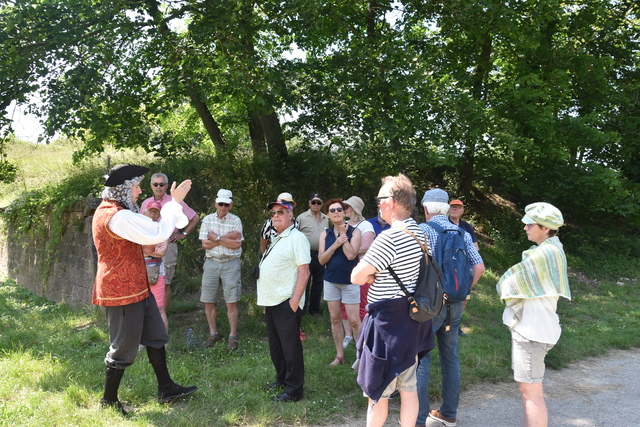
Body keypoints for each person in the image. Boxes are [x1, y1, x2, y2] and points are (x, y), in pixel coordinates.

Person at [92, 164, 197, 415]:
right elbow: (158, 231)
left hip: (136, 286)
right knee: (123, 347)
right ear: (124, 189)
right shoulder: (117, 215)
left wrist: (174, 207)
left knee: (156, 334)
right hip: (121, 290)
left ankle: (166, 387)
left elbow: (154, 233)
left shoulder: (120, 211)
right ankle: (108, 400)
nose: (140, 191)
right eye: (137, 186)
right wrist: (174, 202)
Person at [351, 174, 434, 427]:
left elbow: (356, 276)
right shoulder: (421, 233)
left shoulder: (389, 237)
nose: (377, 202)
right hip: (413, 320)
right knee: (409, 389)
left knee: (377, 393)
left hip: (387, 325)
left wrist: (372, 273)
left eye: (380, 198)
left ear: (394, 201)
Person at [416, 189, 486, 427]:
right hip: (455, 304)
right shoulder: (462, 232)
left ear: (426, 208)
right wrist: (464, 292)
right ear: (446, 208)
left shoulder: (422, 231)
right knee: (450, 358)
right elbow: (479, 268)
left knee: (421, 358)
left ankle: (418, 418)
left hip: (429, 305)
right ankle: (449, 414)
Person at [496, 202, 570, 427]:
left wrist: (504, 284)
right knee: (529, 390)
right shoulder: (552, 250)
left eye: (530, 224)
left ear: (546, 228)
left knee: (531, 394)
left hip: (532, 331)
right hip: (538, 328)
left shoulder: (544, 254)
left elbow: (509, 282)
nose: (525, 227)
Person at [257, 197, 311, 402]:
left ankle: (294, 388)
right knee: (276, 346)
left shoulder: (297, 237)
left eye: (281, 212)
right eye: (273, 213)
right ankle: (281, 379)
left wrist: (295, 301)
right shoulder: (278, 237)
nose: (276, 216)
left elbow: (304, 272)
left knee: (290, 348)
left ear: (291, 215)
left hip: (286, 302)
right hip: (271, 301)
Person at [140, 173, 200, 314]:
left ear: (166, 186)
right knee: (148, 280)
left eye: (162, 184)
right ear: (151, 186)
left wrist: (183, 234)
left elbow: (195, 217)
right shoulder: (145, 203)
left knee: (165, 282)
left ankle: (163, 316)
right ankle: (149, 314)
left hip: (168, 245)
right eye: (156, 184)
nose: (159, 187)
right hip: (148, 247)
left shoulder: (174, 201)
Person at [318, 198, 362, 366]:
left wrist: (343, 236)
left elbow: (351, 255)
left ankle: (361, 356)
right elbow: (321, 260)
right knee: (335, 318)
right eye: (332, 210)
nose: (336, 212)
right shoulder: (325, 234)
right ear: (328, 215)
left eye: (339, 209)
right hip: (331, 281)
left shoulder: (355, 232)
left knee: (354, 321)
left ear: (344, 212)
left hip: (350, 281)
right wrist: (335, 243)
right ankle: (339, 355)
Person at [199, 189, 244, 350]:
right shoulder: (208, 220)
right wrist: (227, 238)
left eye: (226, 204)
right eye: (220, 204)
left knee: (231, 301)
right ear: (215, 203)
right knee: (208, 300)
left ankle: (232, 336)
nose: (223, 207)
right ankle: (213, 334)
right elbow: (205, 244)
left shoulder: (236, 220)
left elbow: (237, 244)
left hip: (231, 263)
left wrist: (215, 238)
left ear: (231, 205)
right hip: (211, 262)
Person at [341, 196, 375, 349]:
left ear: (354, 208)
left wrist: (348, 252)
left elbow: (367, 247)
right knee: (343, 302)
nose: (343, 209)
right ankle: (348, 335)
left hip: (360, 266)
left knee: (361, 302)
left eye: (346, 207)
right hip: (343, 267)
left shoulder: (366, 225)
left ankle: (363, 336)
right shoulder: (344, 225)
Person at [447, 199, 479, 336]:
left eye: (458, 207)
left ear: (462, 210)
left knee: (464, 298)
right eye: (452, 206)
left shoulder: (467, 227)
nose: (454, 209)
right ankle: (443, 324)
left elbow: (476, 247)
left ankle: (455, 325)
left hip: (464, 266)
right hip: (448, 266)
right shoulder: (444, 224)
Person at [297, 192, 328, 317]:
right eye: (313, 202)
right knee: (304, 282)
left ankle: (315, 310)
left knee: (318, 282)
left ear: (321, 204)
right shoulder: (301, 218)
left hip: (320, 254)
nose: (316, 204)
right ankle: (302, 309)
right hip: (305, 254)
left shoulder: (326, 218)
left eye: (318, 202)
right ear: (309, 203)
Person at [142, 201, 169, 333]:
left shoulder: (162, 229)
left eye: (156, 211)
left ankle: (164, 341)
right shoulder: (138, 229)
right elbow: (139, 248)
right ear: (144, 212)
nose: (153, 213)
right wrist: (152, 248)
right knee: (140, 308)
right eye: (150, 210)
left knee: (159, 308)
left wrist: (146, 249)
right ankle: (143, 341)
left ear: (159, 214)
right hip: (139, 273)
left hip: (157, 274)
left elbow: (162, 252)